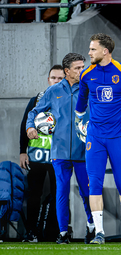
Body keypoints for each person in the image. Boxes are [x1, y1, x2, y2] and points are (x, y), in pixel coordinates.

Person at [75, 33, 121, 245]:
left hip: (119, 136)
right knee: (93, 183)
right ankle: (99, 233)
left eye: (93, 49)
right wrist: (79, 121)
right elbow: (81, 102)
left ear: (105, 51)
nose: (89, 53)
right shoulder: (86, 74)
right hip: (95, 136)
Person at [26, 53, 95, 244]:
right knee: (61, 193)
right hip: (60, 153)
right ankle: (63, 233)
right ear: (67, 71)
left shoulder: (89, 88)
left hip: (84, 151)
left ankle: (91, 226)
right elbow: (34, 112)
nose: (82, 70)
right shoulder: (53, 91)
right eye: (78, 68)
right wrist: (30, 127)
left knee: (87, 193)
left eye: (83, 66)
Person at [20, 64, 64, 242]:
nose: (56, 81)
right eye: (54, 78)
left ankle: (53, 233)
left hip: (59, 155)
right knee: (33, 194)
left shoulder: (68, 101)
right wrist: (23, 152)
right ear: (48, 80)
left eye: (60, 78)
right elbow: (24, 124)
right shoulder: (36, 100)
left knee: (58, 194)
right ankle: (31, 233)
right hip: (37, 155)